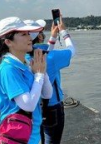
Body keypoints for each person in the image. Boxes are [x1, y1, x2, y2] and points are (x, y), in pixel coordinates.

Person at [0, 17, 53, 144]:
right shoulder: (8, 69)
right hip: (16, 136)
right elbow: (27, 105)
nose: (30, 37)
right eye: (23, 34)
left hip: (31, 134)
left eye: (29, 33)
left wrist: (42, 73)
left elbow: (47, 94)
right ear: (8, 42)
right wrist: (38, 76)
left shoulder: (26, 63)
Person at [26, 14, 75, 144]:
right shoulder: (51, 57)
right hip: (52, 107)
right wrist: (63, 31)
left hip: (33, 107)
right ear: (40, 36)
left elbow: (45, 50)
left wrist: (53, 36)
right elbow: (72, 50)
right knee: (52, 141)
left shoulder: (23, 57)